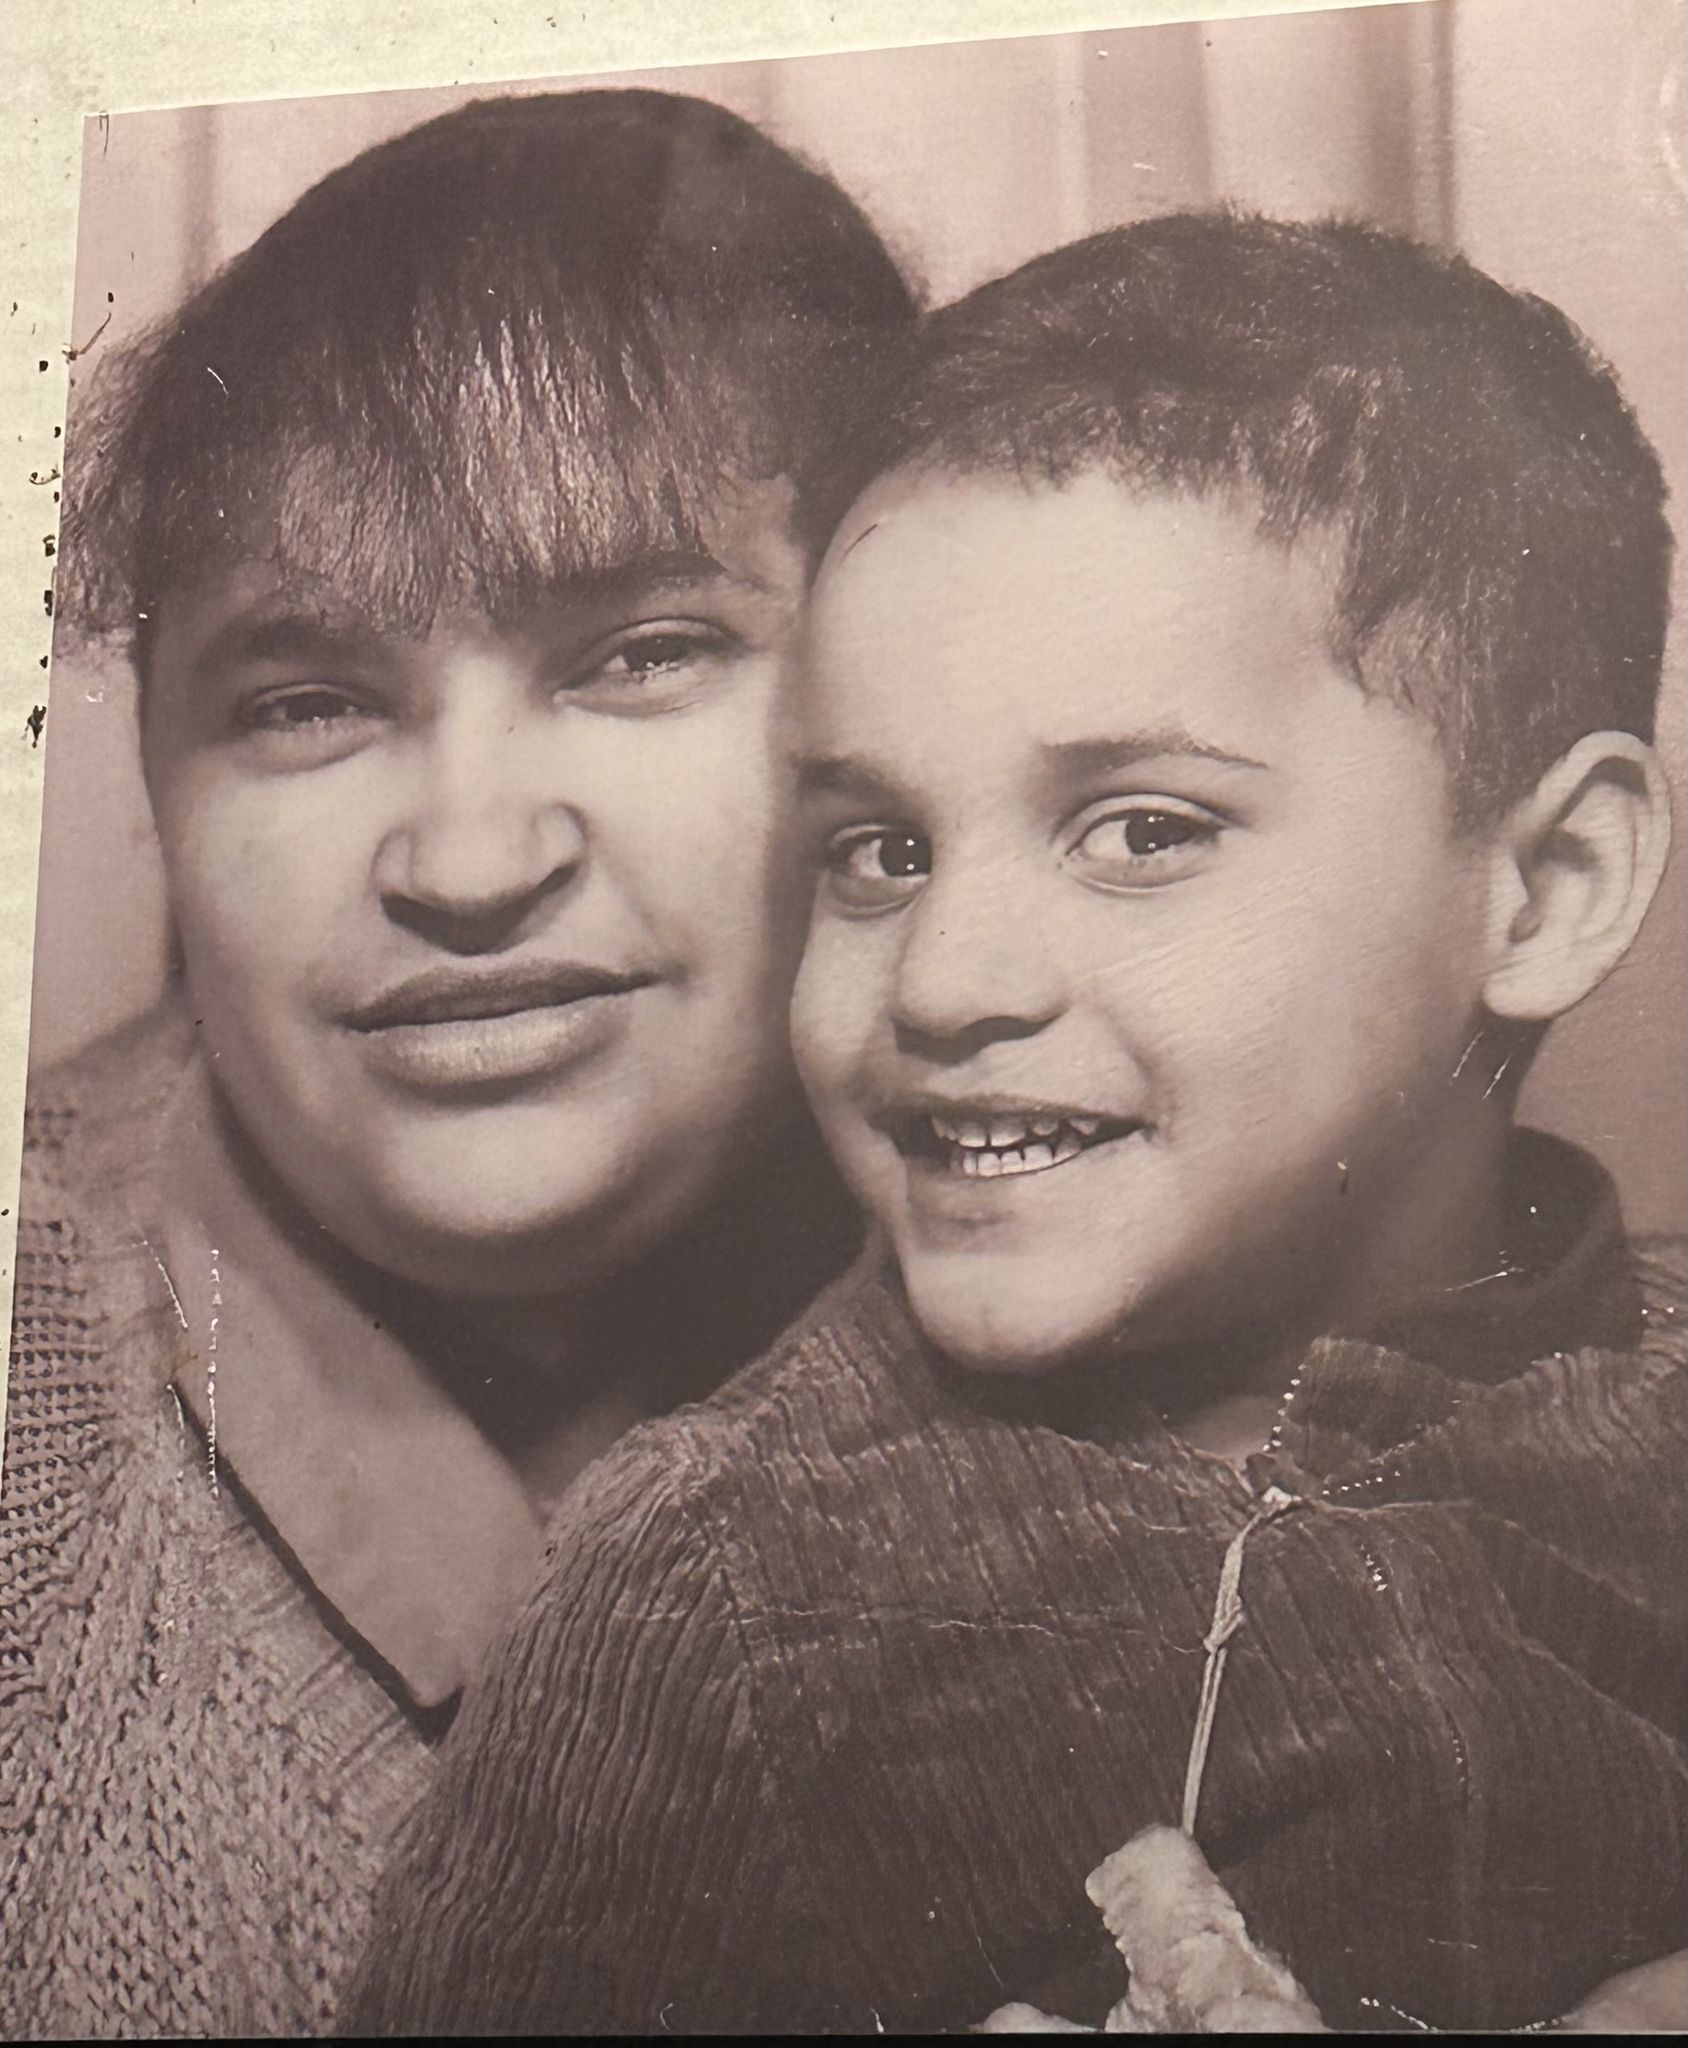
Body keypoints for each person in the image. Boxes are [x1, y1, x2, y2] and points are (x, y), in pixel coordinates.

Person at [346, 213, 1687, 2036]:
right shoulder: (728, 1585)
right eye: (879, 852)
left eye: (1141, 832)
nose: (943, 979)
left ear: (1546, 888)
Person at [0, 89, 914, 2035]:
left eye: (639, 652)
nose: (472, 859)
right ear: (154, 780)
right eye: (305, 702)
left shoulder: (1172, 1309)